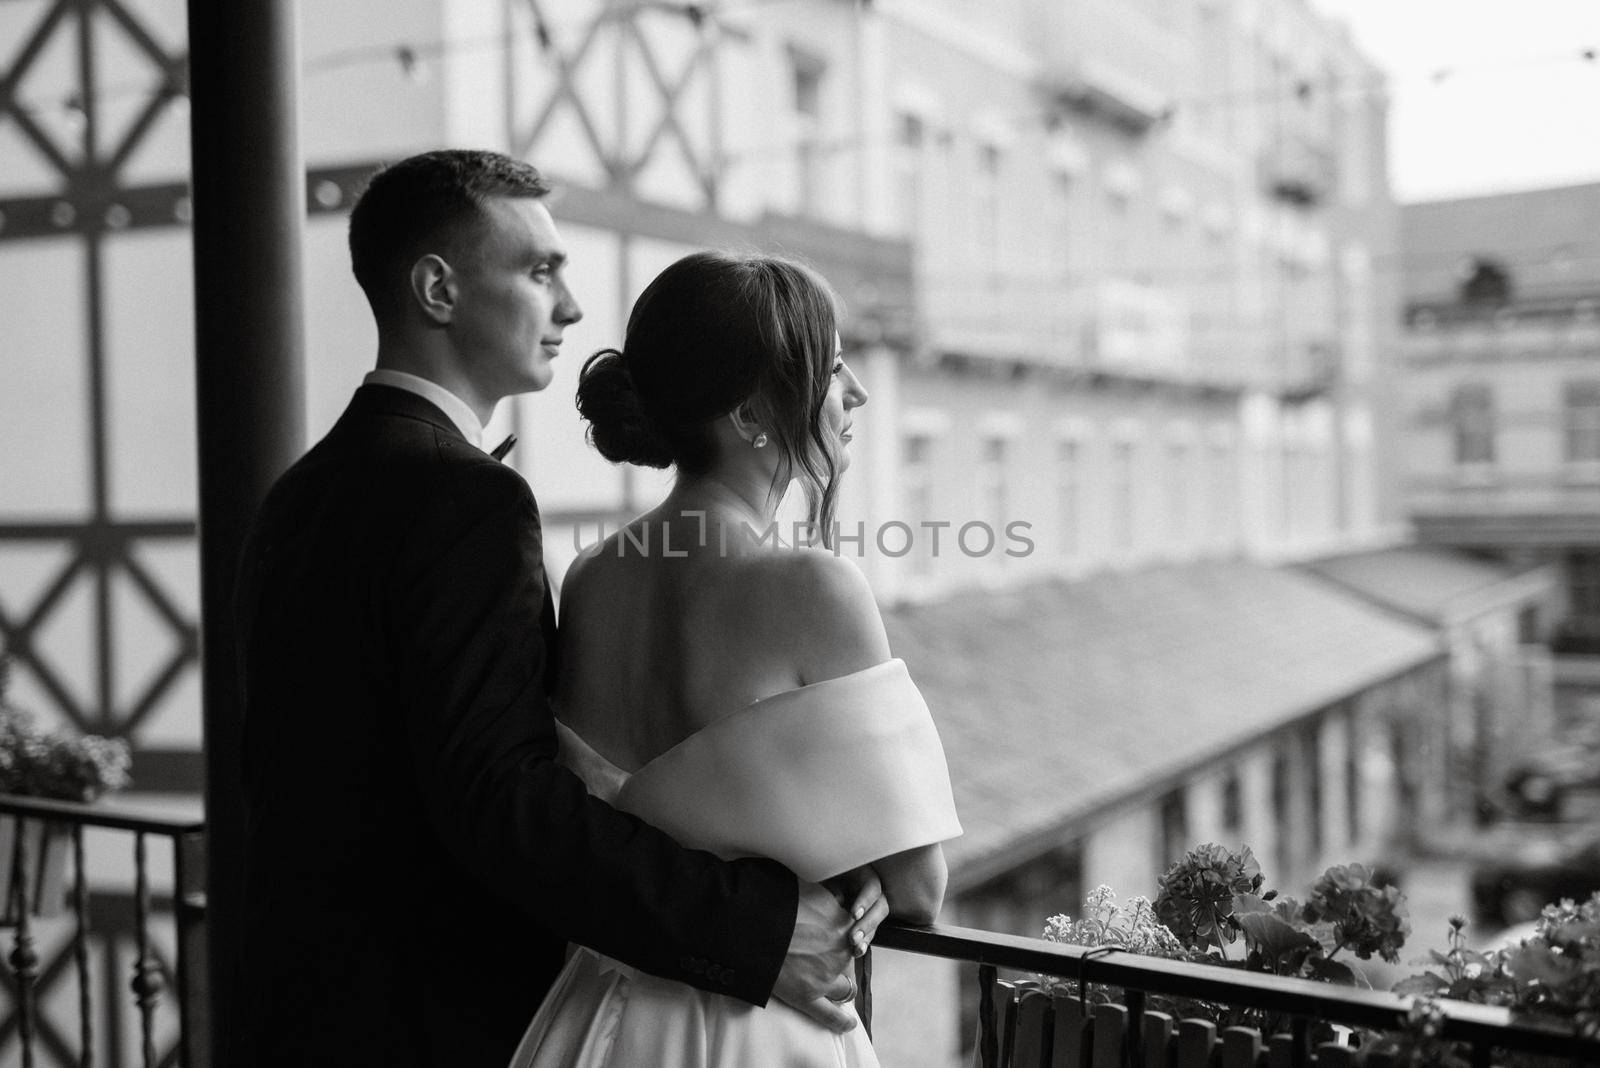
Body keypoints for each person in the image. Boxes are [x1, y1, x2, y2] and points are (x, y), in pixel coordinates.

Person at [232, 151, 886, 1067]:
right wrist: (756, 933)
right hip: (430, 1023)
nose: (572, 310)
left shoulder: (299, 491)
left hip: (298, 1009)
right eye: (540, 271)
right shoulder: (461, 498)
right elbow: (500, 799)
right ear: (437, 288)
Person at [508, 250, 963, 1067]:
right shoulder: (813, 588)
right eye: (830, 369)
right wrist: (856, 872)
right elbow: (920, 890)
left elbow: (609, 833)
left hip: (604, 1017)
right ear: (753, 412)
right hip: (760, 1029)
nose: (855, 391)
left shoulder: (589, 578)